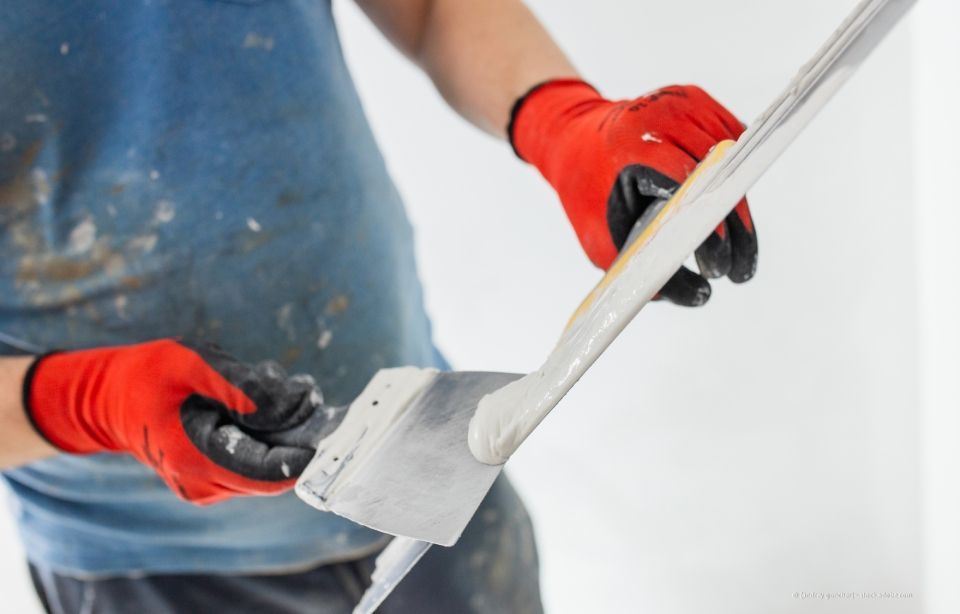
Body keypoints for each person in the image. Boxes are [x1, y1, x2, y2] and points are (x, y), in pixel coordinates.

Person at [0, 0, 758, 612]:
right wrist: (82, 402)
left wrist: (560, 120)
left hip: (431, 465)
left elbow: (427, 10)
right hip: (154, 570)